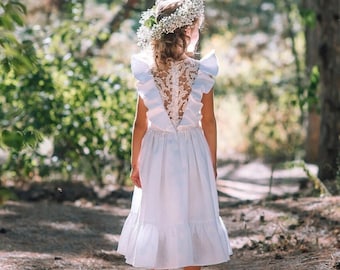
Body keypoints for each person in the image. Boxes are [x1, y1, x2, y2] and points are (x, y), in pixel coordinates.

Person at [117, 0, 232, 269]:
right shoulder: (202, 71)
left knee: (160, 219)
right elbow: (209, 122)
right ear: (189, 30)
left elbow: (140, 124)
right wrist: (211, 164)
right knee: (192, 219)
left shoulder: (148, 72)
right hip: (193, 153)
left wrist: (136, 163)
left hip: (157, 155)